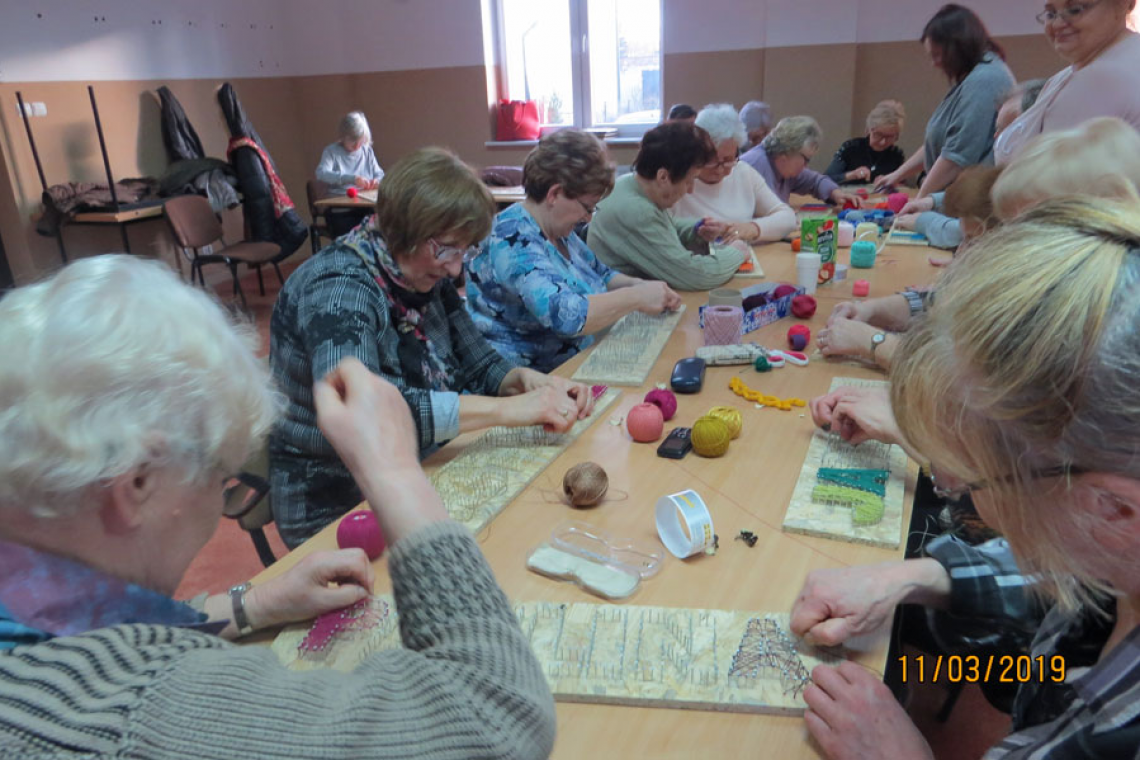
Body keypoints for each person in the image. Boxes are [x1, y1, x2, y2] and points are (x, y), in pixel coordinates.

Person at [0, 255, 557, 759]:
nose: (223, 496)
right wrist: (393, 469)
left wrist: (253, 604)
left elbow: (76, 623)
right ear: (139, 482)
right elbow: (496, 714)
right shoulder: (129, 711)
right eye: (223, 475)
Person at [795, 198, 1140, 759]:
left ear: (1114, 510)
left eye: (977, 479)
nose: (956, 488)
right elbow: (1073, 567)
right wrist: (911, 577)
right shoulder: (1114, 535)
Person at [271, 148, 596, 547]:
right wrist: (506, 410)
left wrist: (525, 381)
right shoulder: (338, 289)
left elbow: (477, 362)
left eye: (464, 250)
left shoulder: (419, 270)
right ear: (405, 230)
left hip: (420, 462)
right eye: (447, 249)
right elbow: (366, 417)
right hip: (337, 499)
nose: (456, 269)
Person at [818, 117, 1140, 369]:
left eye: (1024, 233)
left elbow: (978, 384)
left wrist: (874, 343)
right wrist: (875, 310)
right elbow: (949, 301)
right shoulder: (1054, 275)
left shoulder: (1096, 313)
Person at [465, 129, 681, 373]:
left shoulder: (557, 231)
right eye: (587, 207)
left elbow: (602, 274)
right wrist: (638, 297)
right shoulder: (511, 240)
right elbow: (567, 315)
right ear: (555, 194)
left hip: (572, 366)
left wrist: (639, 285)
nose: (588, 217)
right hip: (526, 382)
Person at [875, 4, 1015, 197]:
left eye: (937, 55)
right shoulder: (973, 77)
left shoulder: (985, 79)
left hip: (969, 202)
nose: (934, 63)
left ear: (958, 47)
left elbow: (957, 156)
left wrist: (921, 199)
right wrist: (898, 175)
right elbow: (944, 144)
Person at [586, 121, 741, 291]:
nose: (690, 190)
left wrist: (696, 229)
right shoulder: (637, 211)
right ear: (663, 177)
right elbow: (694, 275)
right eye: (689, 181)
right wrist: (737, 252)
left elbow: (663, 227)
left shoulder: (629, 183)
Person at [995, 0, 1140, 164]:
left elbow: (1052, 177)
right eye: (1051, 14)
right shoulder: (1077, 72)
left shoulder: (1101, 78)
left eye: (1075, 10)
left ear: (1122, 4)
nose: (1057, 24)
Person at [672, 104, 797, 244]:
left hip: (744, 257)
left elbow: (787, 217)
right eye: (711, 161)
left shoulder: (744, 172)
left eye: (728, 160)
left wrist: (752, 228)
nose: (720, 170)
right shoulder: (679, 180)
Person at [739, 116, 864, 208]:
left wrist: (836, 193)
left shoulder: (784, 166)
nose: (806, 165)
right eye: (806, 159)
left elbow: (815, 180)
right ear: (788, 151)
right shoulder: (753, 166)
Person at [315, 111, 386, 237]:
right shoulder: (332, 151)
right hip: (340, 211)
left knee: (379, 231)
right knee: (353, 239)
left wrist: (377, 181)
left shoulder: (367, 151)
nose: (357, 145)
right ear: (343, 136)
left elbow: (380, 174)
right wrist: (351, 179)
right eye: (353, 141)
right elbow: (321, 173)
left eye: (361, 141)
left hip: (364, 208)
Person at [824, 100, 907, 185]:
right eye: (878, 135)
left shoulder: (896, 154)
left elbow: (904, 185)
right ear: (868, 130)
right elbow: (825, 180)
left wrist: (891, 181)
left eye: (890, 137)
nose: (883, 142)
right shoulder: (851, 148)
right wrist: (851, 175)